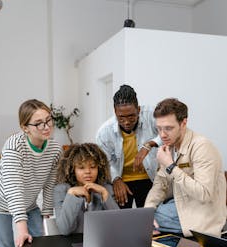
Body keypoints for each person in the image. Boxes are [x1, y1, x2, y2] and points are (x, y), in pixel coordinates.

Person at [0, 99, 62, 247]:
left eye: (49, 120)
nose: (46, 127)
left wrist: (47, 215)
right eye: (39, 123)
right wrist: (21, 227)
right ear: (25, 127)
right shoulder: (14, 147)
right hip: (0, 205)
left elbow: (50, 185)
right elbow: (13, 188)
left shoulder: (54, 148)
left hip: (31, 203)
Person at [144, 98, 226, 237]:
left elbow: (204, 194)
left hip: (203, 212)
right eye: (159, 129)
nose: (162, 135)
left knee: (141, 220)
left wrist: (170, 166)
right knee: (143, 216)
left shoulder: (202, 147)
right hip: (179, 204)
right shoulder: (168, 147)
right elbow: (160, 185)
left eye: (169, 128)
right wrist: (147, 213)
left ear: (183, 123)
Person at [96, 84, 161, 208]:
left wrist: (149, 144)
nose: (126, 122)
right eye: (121, 117)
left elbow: (168, 133)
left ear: (138, 109)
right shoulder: (104, 132)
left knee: (149, 218)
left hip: (150, 177)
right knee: (122, 220)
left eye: (131, 116)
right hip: (122, 179)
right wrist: (115, 179)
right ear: (115, 112)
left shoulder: (152, 115)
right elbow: (106, 161)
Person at [54, 143, 119, 235]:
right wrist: (72, 194)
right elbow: (65, 229)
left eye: (93, 167)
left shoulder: (106, 188)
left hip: (101, 242)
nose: (88, 172)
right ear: (73, 170)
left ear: (99, 168)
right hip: (71, 243)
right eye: (81, 168)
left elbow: (119, 224)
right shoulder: (61, 190)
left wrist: (104, 193)